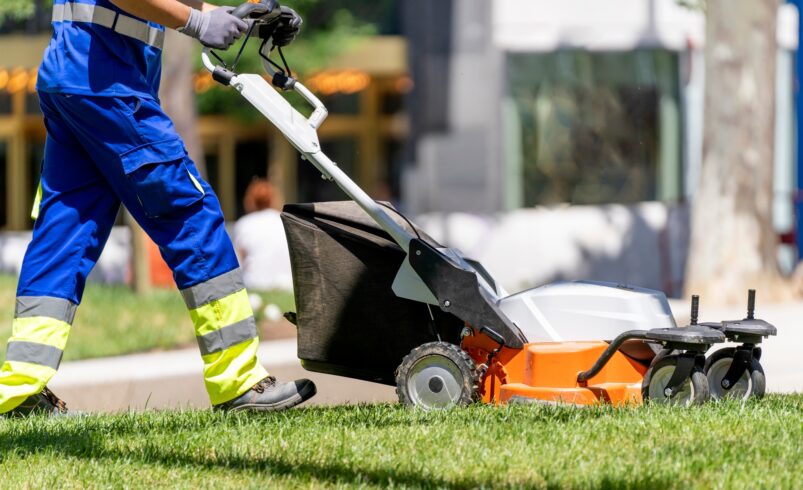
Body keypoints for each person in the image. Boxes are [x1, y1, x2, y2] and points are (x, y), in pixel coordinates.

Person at [0, 0, 314, 416]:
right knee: (191, 214)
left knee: (65, 234)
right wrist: (199, 22)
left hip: (78, 74)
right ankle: (239, 382)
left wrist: (244, 19)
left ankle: (18, 390)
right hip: (108, 81)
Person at [233, 179, 293, 292]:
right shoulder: (286, 222)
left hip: (255, 284)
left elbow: (238, 263)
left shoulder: (244, 224)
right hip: (286, 284)